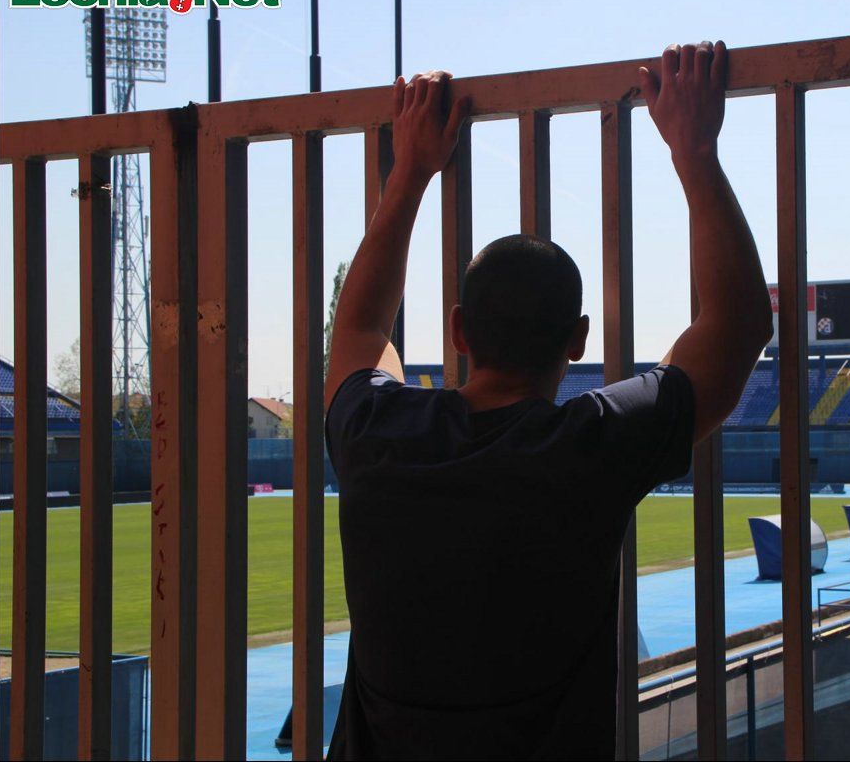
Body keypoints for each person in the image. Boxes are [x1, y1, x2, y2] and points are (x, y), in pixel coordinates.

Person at [324, 41, 772, 760]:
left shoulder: (374, 430)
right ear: (577, 341)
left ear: (459, 332)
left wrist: (410, 171)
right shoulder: (589, 445)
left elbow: (359, 328)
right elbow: (739, 325)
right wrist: (693, 149)